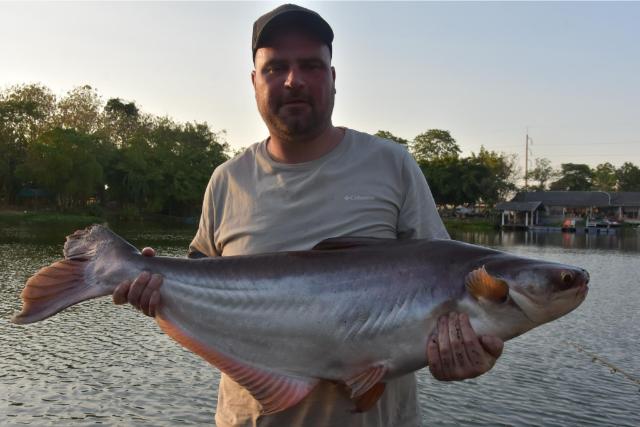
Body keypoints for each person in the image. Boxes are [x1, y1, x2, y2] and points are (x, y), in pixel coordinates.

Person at [112, 4, 504, 426]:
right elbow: (198, 277)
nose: (293, 80)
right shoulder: (227, 180)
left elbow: (446, 285)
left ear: (333, 78)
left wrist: (469, 351)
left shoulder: (393, 166)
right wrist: (157, 289)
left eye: (310, 66)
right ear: (254, 81)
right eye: (275, 67)